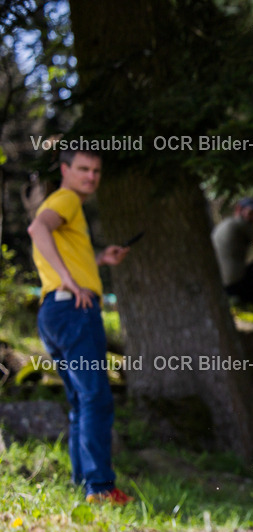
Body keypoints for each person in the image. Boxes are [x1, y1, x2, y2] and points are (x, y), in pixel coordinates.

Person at [26, 149, 134, 504]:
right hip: (74, 310)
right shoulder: (66, 199)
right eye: (83, 169)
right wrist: (69, 281)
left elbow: (59, 246)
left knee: (81, 402)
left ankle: (83, 485)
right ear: (65, 170)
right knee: (96, 398)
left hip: (54, 311)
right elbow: (37, 229)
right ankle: (100, 488)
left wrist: (99, 259)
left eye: (96, 171)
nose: (91, 176)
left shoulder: (65, 205)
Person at [211, 197, 253, 304]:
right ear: (239, 209)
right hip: (234, 285)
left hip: (219, 284)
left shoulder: (225, 223)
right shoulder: (242, 224)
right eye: (251, 212)